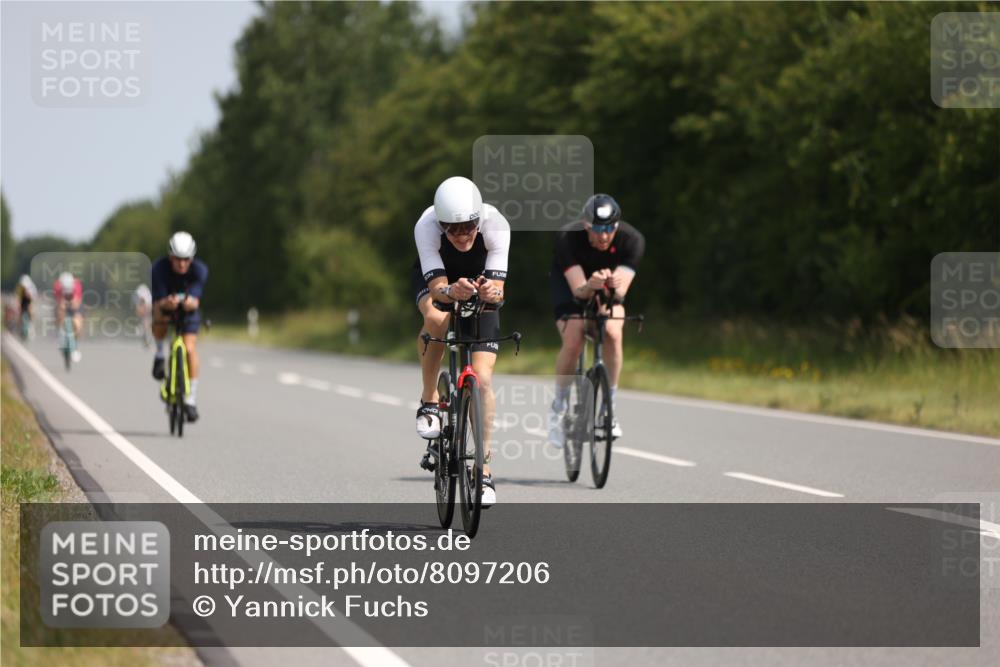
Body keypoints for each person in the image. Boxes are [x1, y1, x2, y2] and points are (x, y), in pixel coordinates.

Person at [413, 176, 510, 507]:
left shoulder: (496, 224)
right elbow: (438, 288)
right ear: (440, 224)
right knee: (437, 318)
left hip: (479, 285)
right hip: (440, 280)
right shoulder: (426, 226)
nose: (461, 234)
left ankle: (482, 470)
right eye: (451, 229)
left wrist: (488, 292)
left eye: (468, 226)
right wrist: (451, 291)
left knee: (481, 379)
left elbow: (499, 294)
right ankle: (428, 400)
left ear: (478, 218)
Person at [547, 194, 644, 447]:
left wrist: (611, 287)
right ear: (586, 225)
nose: (603, 236)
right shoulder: (568, 237)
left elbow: (620, 294)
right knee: (575, 336)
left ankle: (608, 409)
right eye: (597, 229)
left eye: (609, 228)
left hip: (606, 288)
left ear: (617, 226)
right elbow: (579, 291)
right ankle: (558, 408)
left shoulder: (631, 240)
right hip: (572, 286)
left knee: (612, 331)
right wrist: (591, 285)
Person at [151, 232, 208, 422]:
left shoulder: (199, 270)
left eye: (186, 260)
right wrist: (167, 303)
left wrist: (190, 303)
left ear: (191, 258)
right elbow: (159, 301)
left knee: (190, 349)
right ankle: (159, 354)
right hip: (165, 307)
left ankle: (190, 400)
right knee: (159, 316)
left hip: (188, 311)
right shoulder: (158, 268)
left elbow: (196, 300)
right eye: (177, 259)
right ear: (170, 256)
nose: (182, 264)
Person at [53, 271, 84, 361]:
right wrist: (62, 306)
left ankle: (75, 345)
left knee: (78, 323)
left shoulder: (77, 285)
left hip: (75, 302)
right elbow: (59, 302)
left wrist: (71, 304)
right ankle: (60, 334)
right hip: (62, 301)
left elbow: (77, 303)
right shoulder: (57, 286)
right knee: (59, 313)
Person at [15, 274, 38, 339]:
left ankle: (31, 326)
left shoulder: (32, 287)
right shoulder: (19, 287)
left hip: (29, 300)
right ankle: (19, 327)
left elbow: (33, 299)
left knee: (31, 311)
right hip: (22, 299)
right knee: (19, 313)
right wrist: (18, 307)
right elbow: (18, 298)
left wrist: (29, 296)